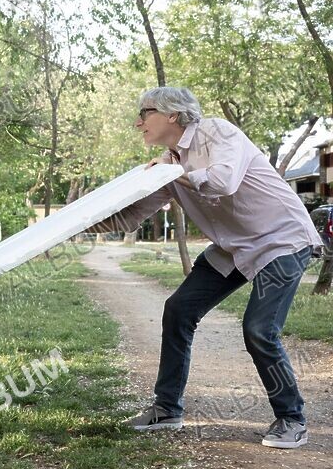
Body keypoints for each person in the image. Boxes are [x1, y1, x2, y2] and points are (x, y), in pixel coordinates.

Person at [91, 86, 322, 448]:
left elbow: (223, 182)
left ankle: (292, 418)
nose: (138, 123)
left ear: (172, 114)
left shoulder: (218, 133)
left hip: (282, 239)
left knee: (260, 329)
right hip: (233, 247)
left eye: (144, 112)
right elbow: (133, 216)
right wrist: (72, 226)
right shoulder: (168, 163)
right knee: (179, 310)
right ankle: (167, 409)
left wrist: (173, 172)